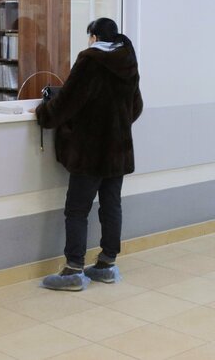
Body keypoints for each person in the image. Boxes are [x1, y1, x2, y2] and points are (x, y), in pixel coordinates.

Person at [31, 18, 143, 291]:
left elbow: (67, 103)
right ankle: (106, 265)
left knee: (77, 210)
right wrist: (117, 126)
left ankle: (73, 269)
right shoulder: (128, 60)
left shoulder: (89, 60)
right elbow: (136, 106)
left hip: (90, 151)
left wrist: (43, 113)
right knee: (111, 206)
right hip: (118, 150)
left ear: (93, 37)